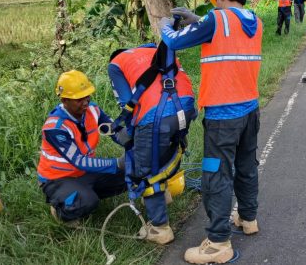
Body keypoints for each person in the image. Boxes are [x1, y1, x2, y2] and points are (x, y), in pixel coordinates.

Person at [161, 0, 262, 264]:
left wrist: (165, 26)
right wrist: (198, 20)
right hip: (249, 110)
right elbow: (225, 34)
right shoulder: (255, 21)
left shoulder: (216, 20)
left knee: (215, 174)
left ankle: (218, 243)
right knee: (246, 166)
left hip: (222, 116)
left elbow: (175, 41)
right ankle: (248, 217)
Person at [108, 38, 197, 244]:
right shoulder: (152, 50)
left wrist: (128, 137)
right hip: (187, 106)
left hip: (155, 117)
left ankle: (159, 228)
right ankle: (163, 196)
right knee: (166, 147)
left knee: (145, 168)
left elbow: (126, 105)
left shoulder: (115, 65)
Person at [37, 70, 126, 227]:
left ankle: (82, 193)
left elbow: (115, 131)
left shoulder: (92, 110)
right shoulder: (55, 128)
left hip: (84, 174)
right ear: (65, 100)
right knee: (88, 202)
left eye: (87, 96)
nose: (85, 102)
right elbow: (79, 161)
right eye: (79, 99)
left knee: (133, 170)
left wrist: (137, 145)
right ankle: (62, 209)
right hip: (57, 178)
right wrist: (117, 163)